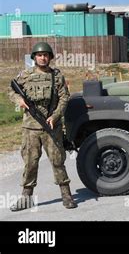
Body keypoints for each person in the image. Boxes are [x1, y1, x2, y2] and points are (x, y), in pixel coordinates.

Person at [8, 42, 77, 211]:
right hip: (30, 128)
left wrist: (54, 116)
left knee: (57, 161)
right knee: (30, 163)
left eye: (46, 55)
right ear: (34, 57)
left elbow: (64, 98)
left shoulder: (57, 76)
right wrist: (20, 101)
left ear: (50, 57)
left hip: (51, 127)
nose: (43, 58)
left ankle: (66, 195)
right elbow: (11, 91)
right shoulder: (25, 75)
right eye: (39, 55)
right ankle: (26, 197)